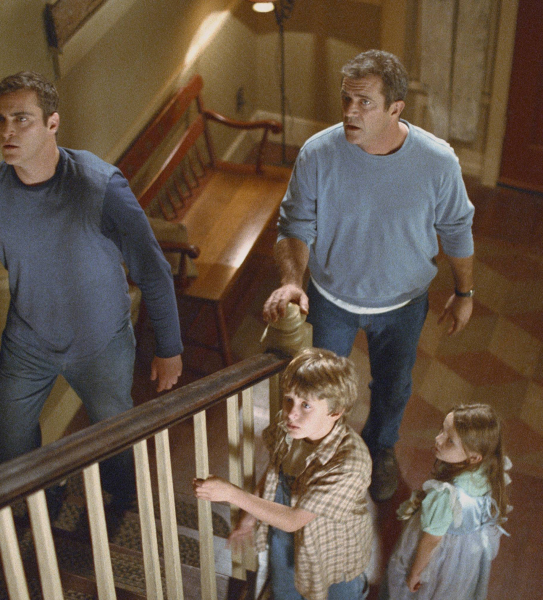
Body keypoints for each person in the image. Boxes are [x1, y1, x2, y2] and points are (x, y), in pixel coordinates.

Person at [262, 49, 476, 502]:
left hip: (403, 305)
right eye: (346, 99)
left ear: (396, 109)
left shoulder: (437, 162)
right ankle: (316, 455)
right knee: (315, 391)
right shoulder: (318, 154)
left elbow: (457, 230)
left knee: (393, 388)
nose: (350, 112)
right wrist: (292, 282)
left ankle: (380, 448)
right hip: (329, 299)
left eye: (364, 103)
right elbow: (294, 227)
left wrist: (464, 292)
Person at [0, 71, 183, 501]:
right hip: (28, 341)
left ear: (52, 123)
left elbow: (152, 269)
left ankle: (121, 506)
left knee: (116, 441)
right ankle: (43, 503)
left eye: (21, 119)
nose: (7, 131)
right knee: (9, 447)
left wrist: (169, 346)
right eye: (0, 119)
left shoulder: (100, 185)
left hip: (102, 340)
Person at [192, 348, 372, 600]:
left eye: (306, 405)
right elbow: (274, 471)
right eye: (289, 399)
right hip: (284, 537)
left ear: (336, 411)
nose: (291, 413)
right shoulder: (291, 427)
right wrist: (248, 520)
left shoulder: (349, 464)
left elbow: (294, 519)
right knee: (284, 590)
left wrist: (231, 493)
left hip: (330, 549)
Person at [380, 404, 510, 600]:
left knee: (424, 588)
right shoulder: (488, 467)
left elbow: (431, 540)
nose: (438, 439)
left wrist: (415, 573)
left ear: (474, 457)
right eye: (442, 429)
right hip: (466, 551)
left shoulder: (445, 496)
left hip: (441, 552)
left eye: (450, 440)